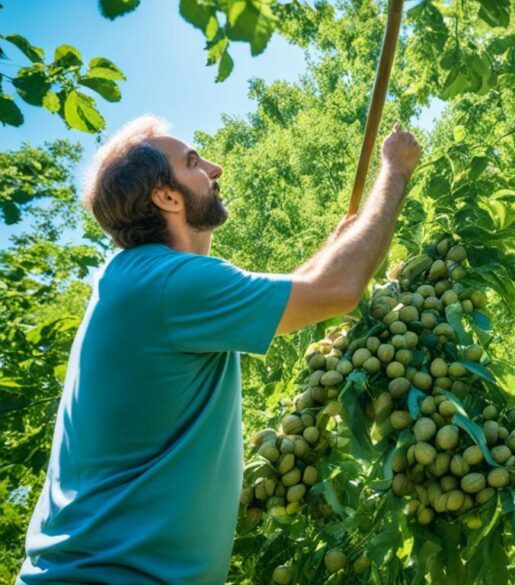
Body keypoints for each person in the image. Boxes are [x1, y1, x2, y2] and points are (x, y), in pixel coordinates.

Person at [17, 115, 421, 584]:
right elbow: (337, 289)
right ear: (166, 197)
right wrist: (394, 170)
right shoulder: (168, 283)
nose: (215, 168)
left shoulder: (144, 281)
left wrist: (335, 248)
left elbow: (307, 288)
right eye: (193, 162)